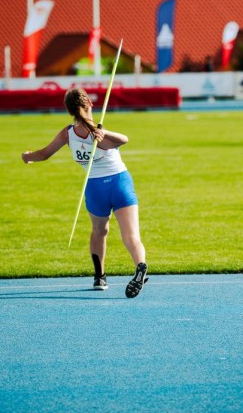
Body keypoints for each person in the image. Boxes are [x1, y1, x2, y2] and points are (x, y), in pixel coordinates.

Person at [21, 88, 148, 298]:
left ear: (68, 110)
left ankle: (100, 277)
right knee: (131, 235)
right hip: (120, 183)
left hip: (95, 188)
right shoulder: (98, 131)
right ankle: (140, 265)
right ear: (89, 102)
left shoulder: (68, 133)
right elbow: (124, 139)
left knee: (99, 231)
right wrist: (105, 134)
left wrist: (27, 157)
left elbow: (44, 154)